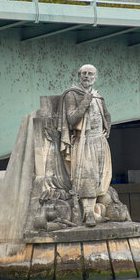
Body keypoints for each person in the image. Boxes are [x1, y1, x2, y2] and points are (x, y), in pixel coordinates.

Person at [58, 64, 112, 227]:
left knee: (99, 175)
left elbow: (107, 115)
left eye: (90, 74)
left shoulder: (98, 96)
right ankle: (88, 213)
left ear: (95, 78)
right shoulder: (72, 94)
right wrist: (86, 101)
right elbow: (72, 119)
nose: (87, 76)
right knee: (86, 175)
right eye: (84, 73)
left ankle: (94, 212)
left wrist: (106, 128)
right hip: (83, 140)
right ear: (79, 76)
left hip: (99, 141)